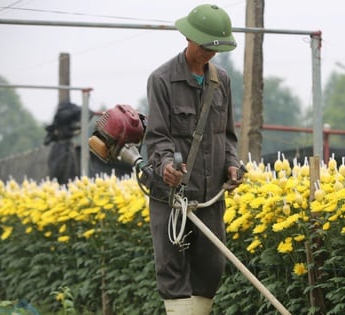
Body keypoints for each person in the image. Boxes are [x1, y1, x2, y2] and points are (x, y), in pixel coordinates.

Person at [144, 4, 241, 315]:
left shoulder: (221, 80)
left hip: (210, 198)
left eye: (215, 49)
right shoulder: (161, 80)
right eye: (204, 47)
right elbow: (157, 137)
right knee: (172, 269)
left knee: (211, 267)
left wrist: (232, 164)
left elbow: (227, 135)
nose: (208, 55)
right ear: (188, 37)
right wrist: (166, 168)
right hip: (172, 197)